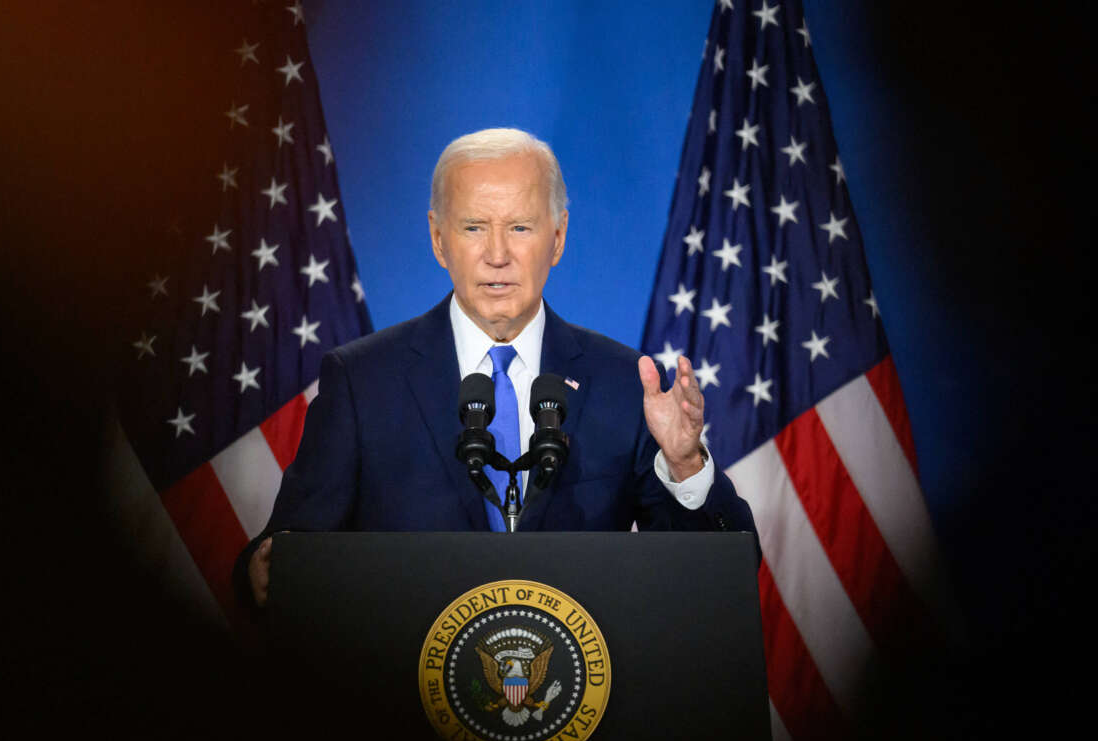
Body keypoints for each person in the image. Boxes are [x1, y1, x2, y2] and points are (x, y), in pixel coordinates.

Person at [234, 128, 755, 610]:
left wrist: (687, 465)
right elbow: (282, 558)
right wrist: (265, 570)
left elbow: (722, 570)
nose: (498, 254)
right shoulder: (362, 381)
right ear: (439, 240)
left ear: (557, 238)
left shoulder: (623, 383)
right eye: (474, 227)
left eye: (521, 227)